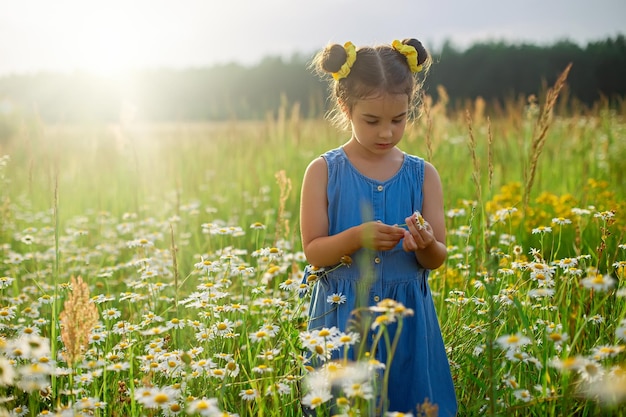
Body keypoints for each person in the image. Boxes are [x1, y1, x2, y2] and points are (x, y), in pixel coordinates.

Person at [299, 38, 457, 416]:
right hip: (343, 319)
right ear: (345, 107)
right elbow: (314, 252)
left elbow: (437, 258)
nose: (386, 132)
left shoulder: (423, 175)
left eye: (398, 120)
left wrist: (426, 243)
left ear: (410, 108)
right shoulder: (324, 171)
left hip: (407, 325)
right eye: (372, 121)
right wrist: (358, 237)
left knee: (409, 402)